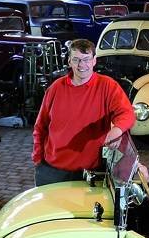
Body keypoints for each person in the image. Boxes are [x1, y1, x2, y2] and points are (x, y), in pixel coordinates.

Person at [32, 38, 135, 186]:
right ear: (69, 61)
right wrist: (38, 159)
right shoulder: (56, 88)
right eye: (76, 60)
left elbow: (127, 113)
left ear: (94, 61)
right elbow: (40, 126)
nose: (82, 65)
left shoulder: (107, 86)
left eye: (86, 59)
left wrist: (116, 131)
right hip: (51, 171)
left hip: (89, 173)